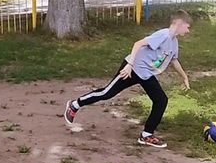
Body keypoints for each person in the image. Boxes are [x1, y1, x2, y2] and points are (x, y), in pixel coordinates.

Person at [64, 10, 192, 148]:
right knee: (107, 93)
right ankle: (74, 105)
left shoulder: (174, 42)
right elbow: (138, 44)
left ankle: (146, 135)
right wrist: (130, 65)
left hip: (146, 74)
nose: (188, 30)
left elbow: (174, 60)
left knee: (161, 100)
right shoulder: (163, 35)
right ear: (179, 23)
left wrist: (184, 77)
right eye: (188, 26)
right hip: (132, 69)